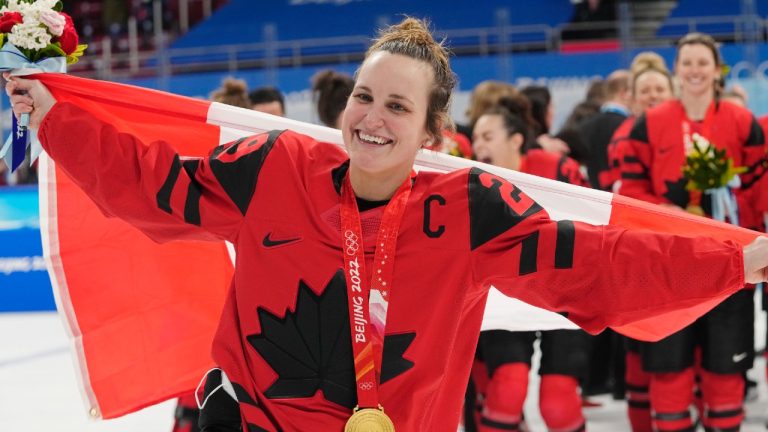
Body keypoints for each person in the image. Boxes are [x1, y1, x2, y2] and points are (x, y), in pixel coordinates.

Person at [7, 18, 768, 432]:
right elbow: (155, 188)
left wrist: (740, 263)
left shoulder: (471, 212)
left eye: (398, 107)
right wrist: (57, 120)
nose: (372, 118)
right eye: (364, 98)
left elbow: (600, 266)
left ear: (433, 132)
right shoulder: (273, 169)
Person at [620, 33, 768, 432]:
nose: (695, 71)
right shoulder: (647, 124)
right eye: (687, 63)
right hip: (670, 268)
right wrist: (666, 210)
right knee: (670, 375)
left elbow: (758, 192)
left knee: (725, 376)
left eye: (703, 62)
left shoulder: (743, 124)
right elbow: (631, 189)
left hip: (732, 265)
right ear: (677, 69)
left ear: (716, 70)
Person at [472, 97, 590, 432]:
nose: (478, 144)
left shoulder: (558, 168)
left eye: (487, 136)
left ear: (516, 140)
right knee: (507, 389)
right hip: (503, 293)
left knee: (558, 401)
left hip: (564, 290)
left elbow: (592, 225)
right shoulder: (471, 179)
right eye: (477, 138)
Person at [608, 51, 675, 432]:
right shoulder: (626, 137)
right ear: (632, 97)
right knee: (643, 351)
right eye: (645, 90)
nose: (653, 95)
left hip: (678, 257)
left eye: (659, 89)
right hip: (636, 258)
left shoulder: (686, 133)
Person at [577, 69, 631, 190]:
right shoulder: (630, 128)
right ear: (624, 93)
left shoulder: (584, 126)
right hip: (622, 201)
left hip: (590, 200)